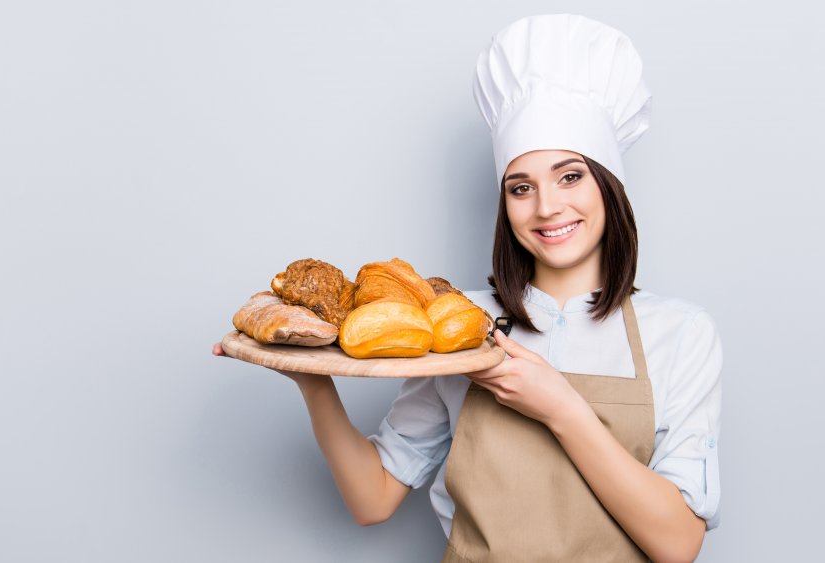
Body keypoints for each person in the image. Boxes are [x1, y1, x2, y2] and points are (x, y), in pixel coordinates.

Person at [214, 13, 721, 563]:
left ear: (609, 186)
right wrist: (310, 379)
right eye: (521, 187)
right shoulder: (456, 325)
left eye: (570, 176)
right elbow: (372, 499)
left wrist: (560, 409)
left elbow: (678, 543)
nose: (547, 206)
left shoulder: (680, 334)